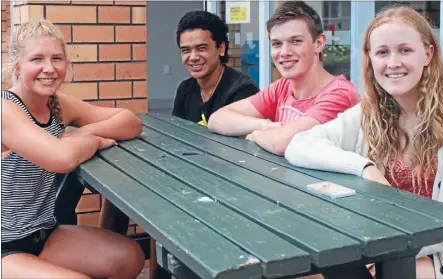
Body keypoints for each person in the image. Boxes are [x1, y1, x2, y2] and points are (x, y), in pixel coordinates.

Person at [285, 6, 443, 279]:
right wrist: (365, 168)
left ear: (428, 54)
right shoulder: (370, 114)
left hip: (438, 251)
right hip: (380, 246)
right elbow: (300, 144)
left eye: (405, 50)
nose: (393, 62)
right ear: (370, 59)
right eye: (383, 52)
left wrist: (388, 250)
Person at [1, 20, 145, 278]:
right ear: (17, 65)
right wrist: (93, 141)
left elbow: (130, 122)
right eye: (37, 59)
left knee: (129, 257)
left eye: (57, 58)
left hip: (44, 234)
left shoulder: (57, 105)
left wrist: (83, 132)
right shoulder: (5, 110)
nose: (49, 68)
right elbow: (62, 158)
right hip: (4, 248)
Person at [208, 1, 360, 156]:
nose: (284, 52)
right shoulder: (283, 86)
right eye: (277, 44)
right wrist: (264, 125)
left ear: (319, 43)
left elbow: (283, 143)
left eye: (296, 41)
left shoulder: (340, 93)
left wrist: (254, 135)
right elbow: (217, 119)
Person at [172, 10, 259, 126]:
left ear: (221, 48)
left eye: (201, 48)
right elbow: (177, 134)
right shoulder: (185, 89)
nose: (193, 57)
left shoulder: (243, 91)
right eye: (185, 50)